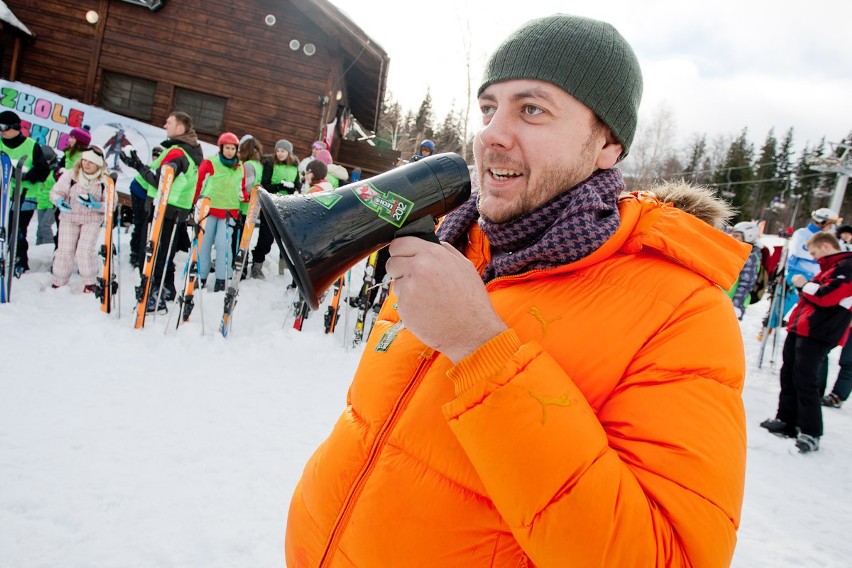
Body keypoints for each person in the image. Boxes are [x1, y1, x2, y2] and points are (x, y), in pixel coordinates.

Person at [285, 14, 749, 567]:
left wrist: (481, 346)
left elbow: (667, 557)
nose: (491, 135)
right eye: (488, 108)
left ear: (608, 143)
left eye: (532, 109)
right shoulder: (459, 244)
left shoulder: (682, 312)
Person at [760, 232, 852, 452]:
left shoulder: (846, 267)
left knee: (806, 379)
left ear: (826, 246)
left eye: (814, 252)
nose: (813, 257)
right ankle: (787, 420)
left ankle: (811, 430)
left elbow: (825, 296)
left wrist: (803, 284)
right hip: (802, 328)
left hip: (819, 332)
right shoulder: (830, 267)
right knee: (789, 374)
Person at [120, 111, 203, 312]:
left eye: (169, 123)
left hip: (164, 209)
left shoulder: (178, 152)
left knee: (149, 254)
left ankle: (151, 296)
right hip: (174, 210)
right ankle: (165, 289)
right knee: (163, 252)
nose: (165, 125)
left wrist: (137, 165)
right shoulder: (190, 150)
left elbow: (161, 181)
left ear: (180, 129)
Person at [49, 146, 109, 291]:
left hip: (92, 220)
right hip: (69, 217)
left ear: (99, 165)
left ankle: (90, 283)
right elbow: (56, 192)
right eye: (85, 160)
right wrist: (58, 201)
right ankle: (59, 281)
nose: (86, 164)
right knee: (65, 249)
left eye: (91, 162)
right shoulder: (70, 175)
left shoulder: (105, 181)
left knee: (84, 250)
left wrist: (96, 205)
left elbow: (110, 205)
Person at [0, 110, 50, 275]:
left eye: (4, 127)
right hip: (3, 195)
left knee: (17, 230)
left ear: (15, 127)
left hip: (24, 196)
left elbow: (43, 171)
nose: (2, 131)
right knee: (3, 230)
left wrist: (24, 175)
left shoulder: (31, 145)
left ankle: (20, 262)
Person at [194, 132, 244, 292]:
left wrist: (247, 196)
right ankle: (201, 276)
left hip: (229, 211)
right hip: (209, 209)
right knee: (205, 244)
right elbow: (199, 182)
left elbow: (242, 189)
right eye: (227, 148)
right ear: (221, 148)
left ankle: (221, 279)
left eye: (232, 148)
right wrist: (195, 202)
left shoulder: (240, 167)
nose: (229, 151)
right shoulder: (210, 163)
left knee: (223, 245)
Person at [250, 139, 298, 279]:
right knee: (266, 239)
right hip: (270, 206)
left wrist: (293, 189)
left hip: (287, 207)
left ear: (288, 152)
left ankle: (284, 269)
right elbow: (265, 184)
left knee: (286, 240)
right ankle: (256, 266)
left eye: (283, 151)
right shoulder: (271, 164)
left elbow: (297, 185)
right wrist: (280, 186)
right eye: (278, 150)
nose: (280, 153)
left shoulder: (295, 167)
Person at [127, 146, 163, 269]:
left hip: (149, 194)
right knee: (141, 223)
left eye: (158, 155)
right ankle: (135, 253)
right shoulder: (155, 166)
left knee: (147, 225)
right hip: (139, 191)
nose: (156, 157)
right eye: (155, 154)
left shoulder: (164, 166)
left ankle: (143, 252)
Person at [727, 221, 761, 319]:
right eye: (733, 235)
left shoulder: (750, 257)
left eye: (737, 236)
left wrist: (736, 305)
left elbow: (746, 283)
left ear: (749, 236)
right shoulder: (738, 252)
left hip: (733, 302)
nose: (733, 238)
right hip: (724, 298)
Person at [35, 144, 60, 246]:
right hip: (41, 202)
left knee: (44, 226)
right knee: (40, 228)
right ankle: (38, 247)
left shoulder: (56, 171)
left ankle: (48, 247)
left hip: (52, 203)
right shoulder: (39, 169)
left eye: (48, 160)